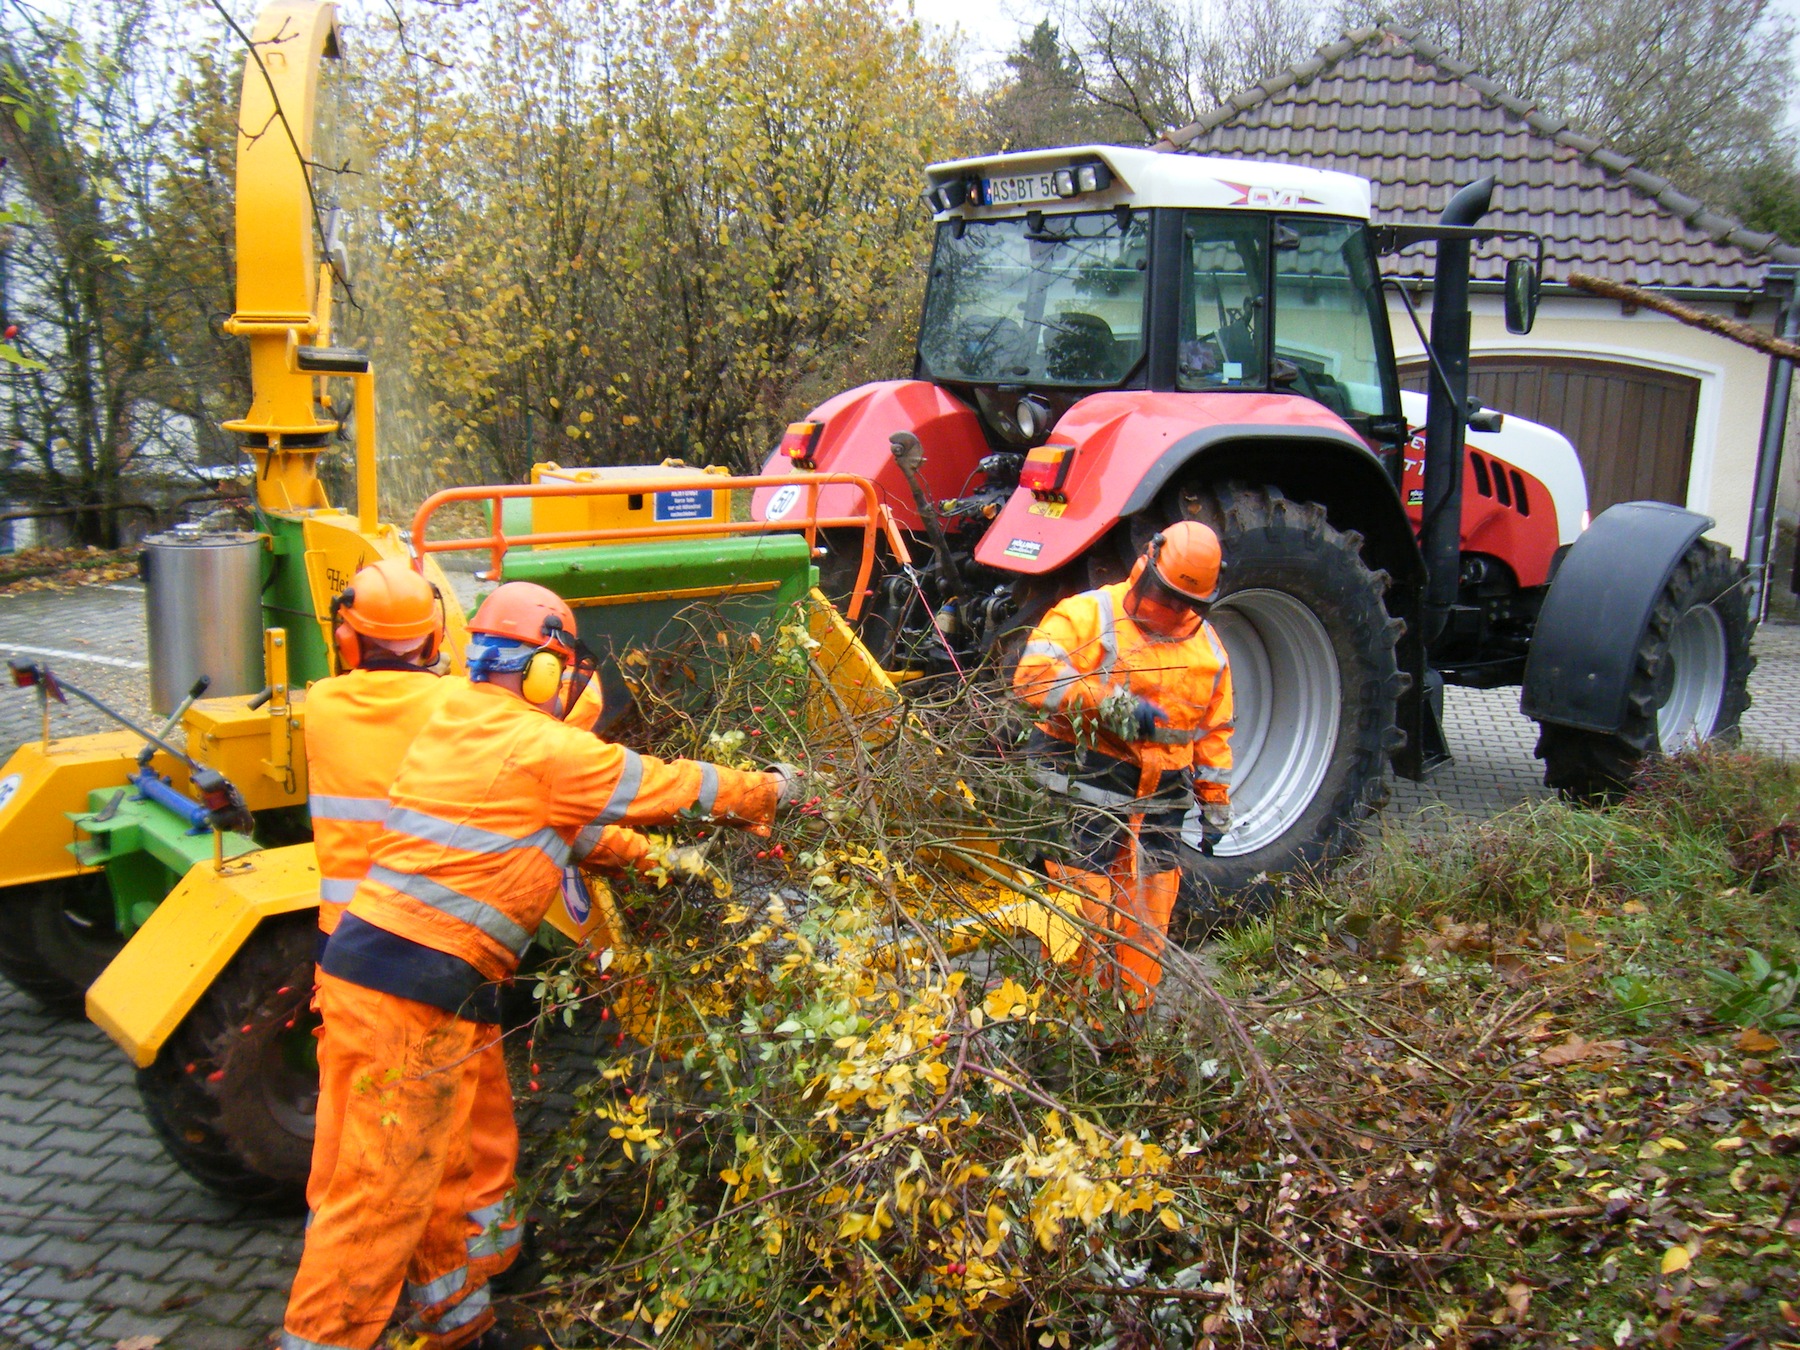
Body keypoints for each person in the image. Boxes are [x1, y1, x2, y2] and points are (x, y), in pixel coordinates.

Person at [283, 581, 799, 1350]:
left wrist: (671, 874)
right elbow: (670, 787)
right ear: (546, 674)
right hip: (414, 992)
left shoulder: (456, 719)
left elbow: (576, 832)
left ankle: (461, 1325)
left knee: (424, 1165)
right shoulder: (545, 749)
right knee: (382, 1193)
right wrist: (774, 792)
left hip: (379, 976)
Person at [1013, 521, 1234, 1012]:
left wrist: (1216, 803)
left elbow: (1214, 732)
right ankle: (1069, 1035)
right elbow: (1032, 680)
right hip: (1082, 798)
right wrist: (1111, 707)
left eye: (1187, 603)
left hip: (1158, 811)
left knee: (1145, 929)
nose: (1173, 610)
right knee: (1081, 925)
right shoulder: (1088, 615)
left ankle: (1124, 1033)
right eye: (1166, 595)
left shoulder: (1210, 650)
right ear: (1145, 566)